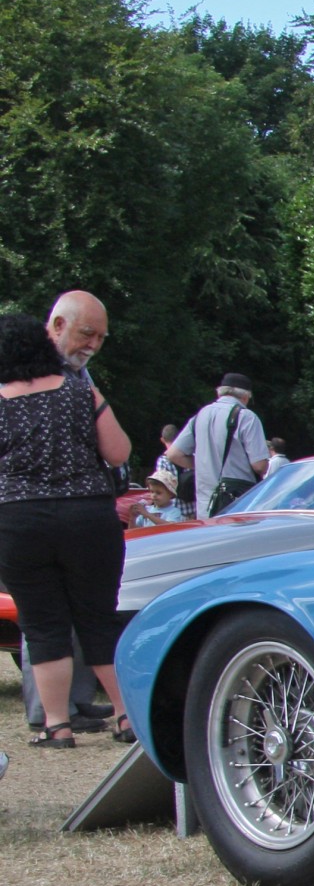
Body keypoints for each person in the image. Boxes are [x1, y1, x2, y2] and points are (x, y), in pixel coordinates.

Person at [0, 313, 133, 747]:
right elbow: (118, 453)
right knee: (98, 619)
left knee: (42, 625)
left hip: (19, 521)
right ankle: (126, 716)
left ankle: (56, 725)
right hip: (88, 517)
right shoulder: (79, 391)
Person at [168, 373, 269, 519]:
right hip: (237, 502)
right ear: (246, 397)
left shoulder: (200, 416)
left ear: (220, 392)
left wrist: (204, 463)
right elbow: (259, 465)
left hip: (205, 505)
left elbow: (174, 454)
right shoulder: (246, 417)